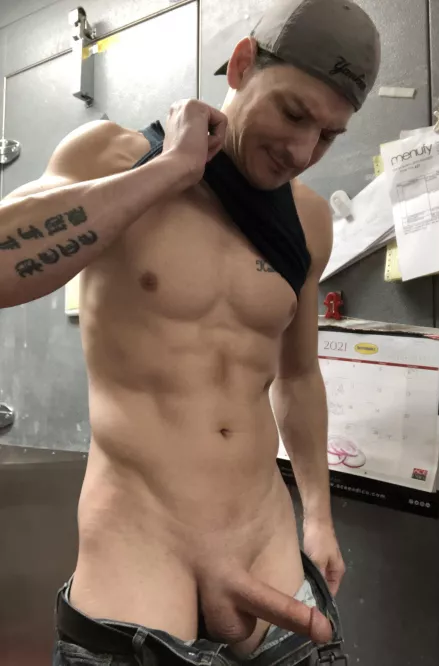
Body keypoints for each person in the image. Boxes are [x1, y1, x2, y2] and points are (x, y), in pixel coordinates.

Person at [0, 0, 380, 663]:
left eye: (327, 136)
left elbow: (297, 375)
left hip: (261, 533)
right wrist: (168, 171)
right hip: (139, 540)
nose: (302, 152)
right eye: (294, 113)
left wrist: (318, 515)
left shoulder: (310, 220)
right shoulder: (111, 155)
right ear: (242, 65)